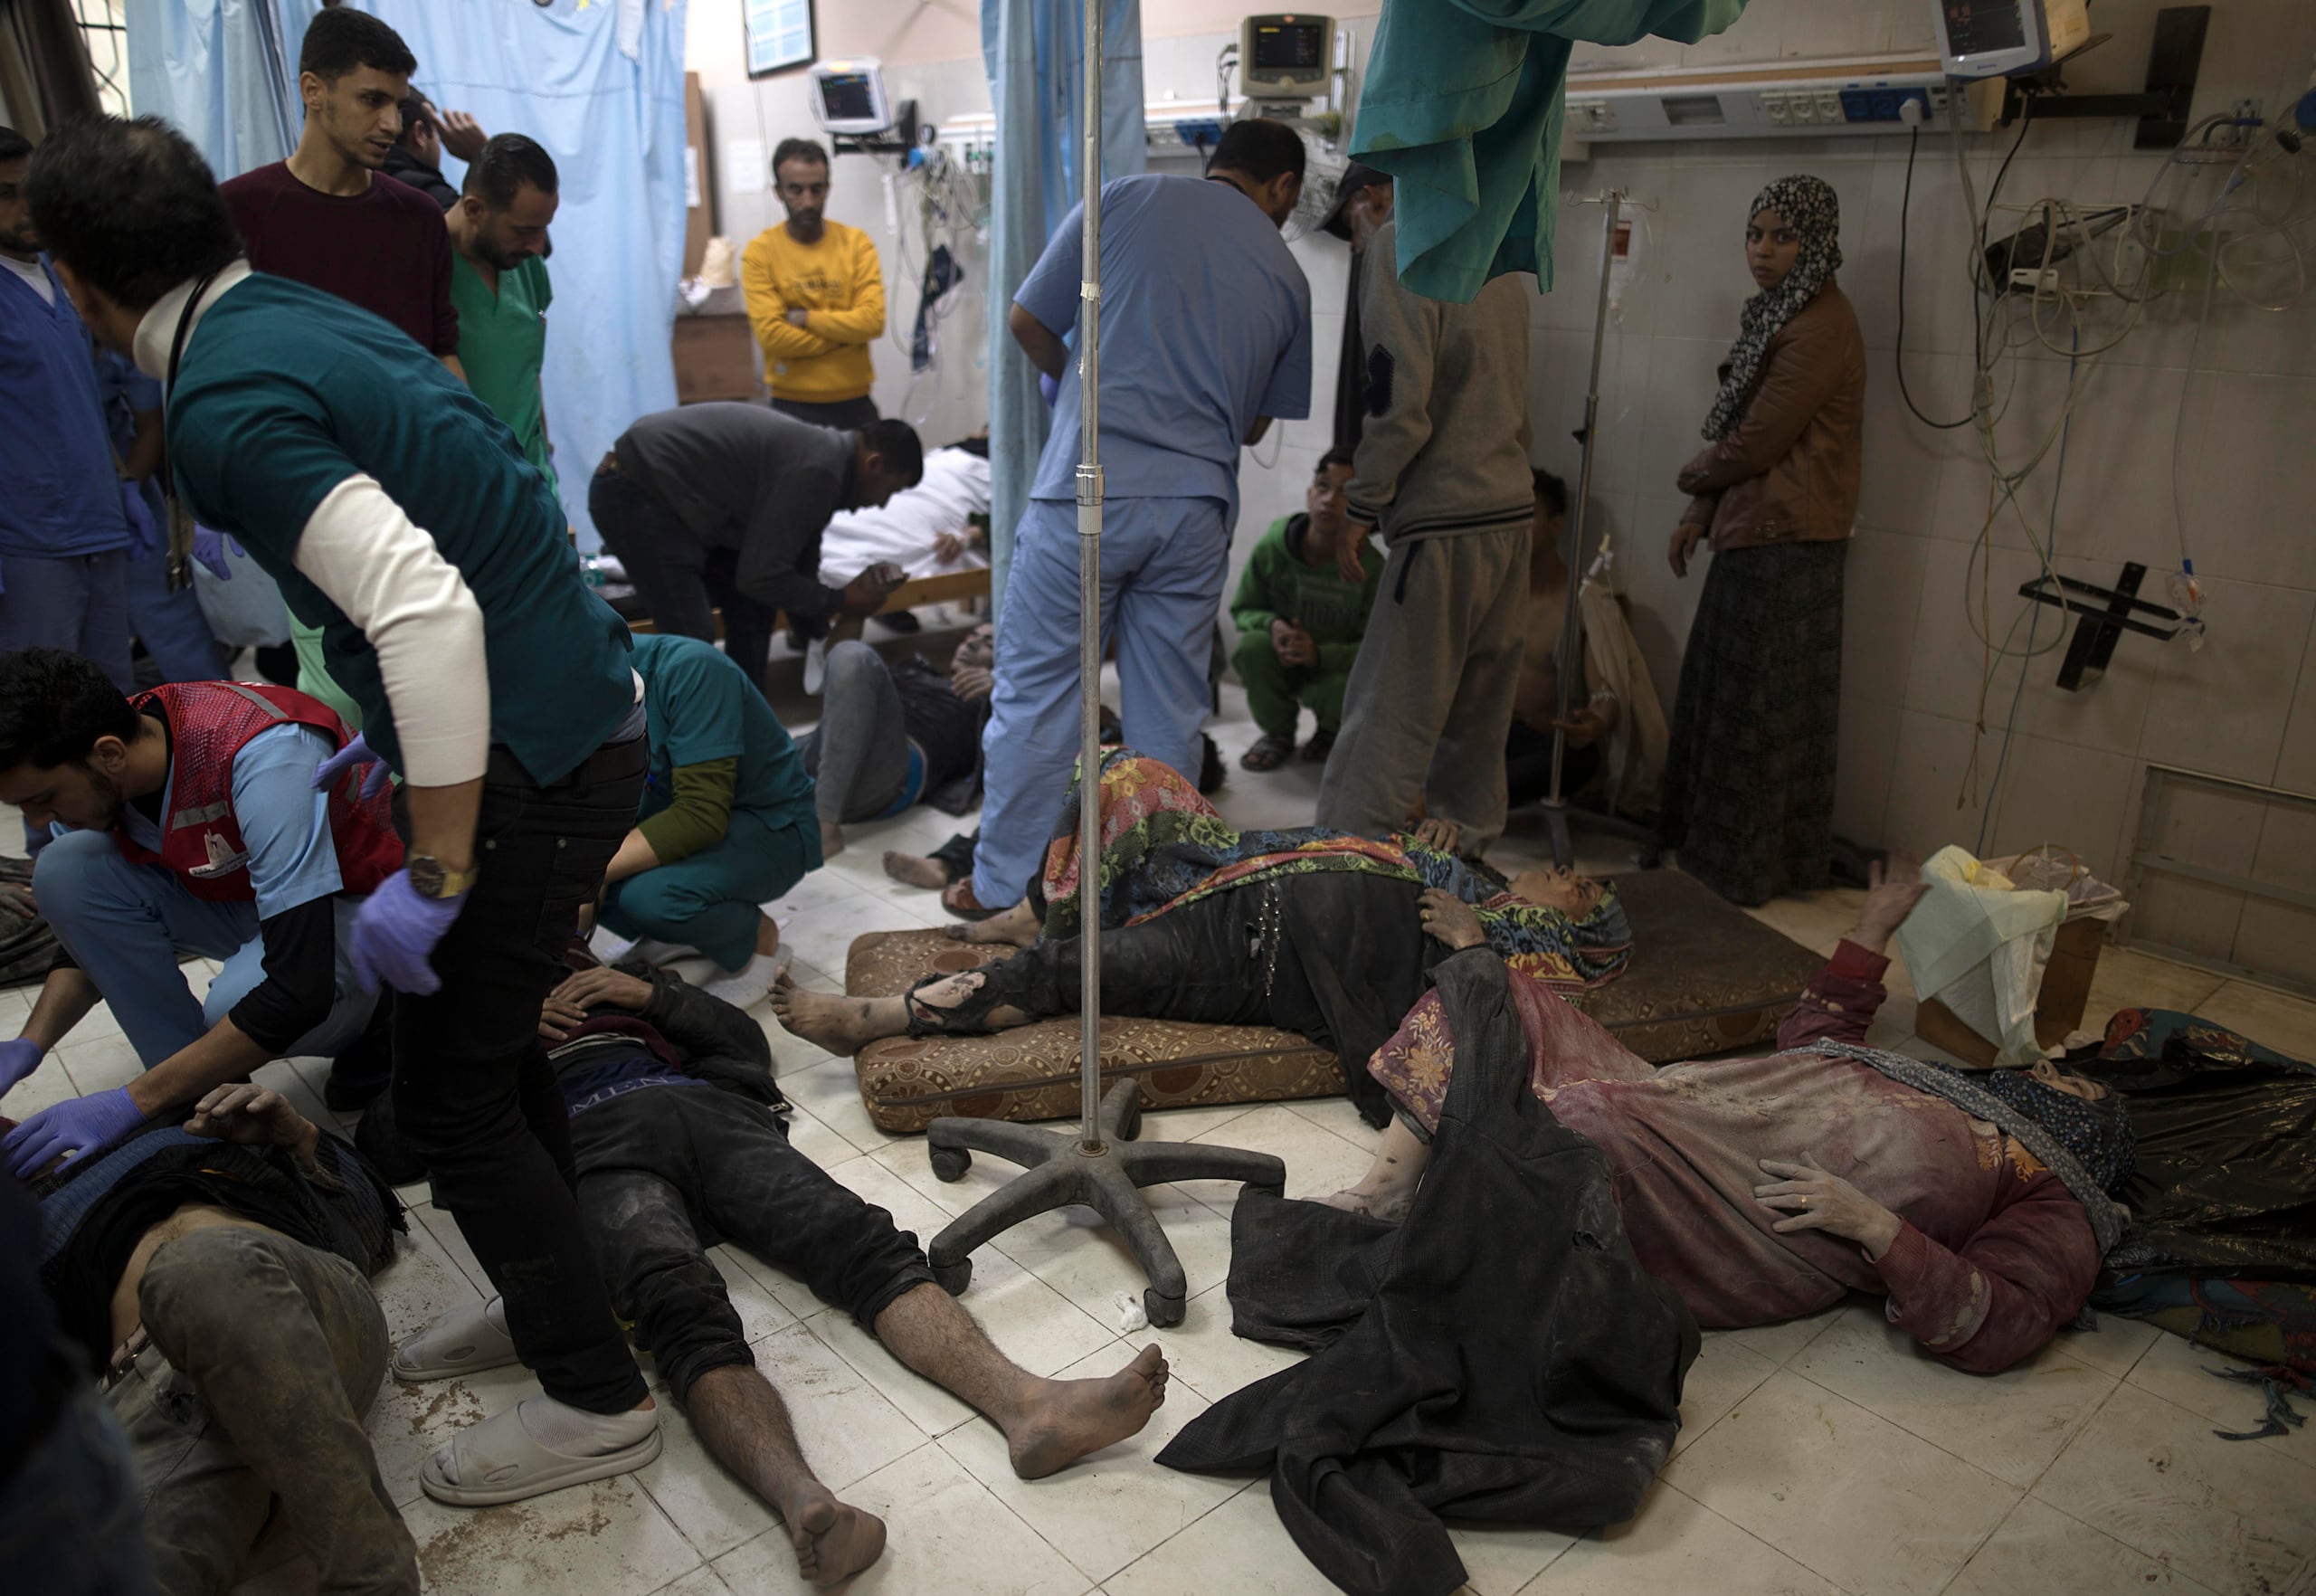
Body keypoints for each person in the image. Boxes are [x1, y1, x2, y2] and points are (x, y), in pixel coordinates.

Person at [29, 113, 660, 1505]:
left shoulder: (219, 404)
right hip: (562, 718)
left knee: (449, 1098)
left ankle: (597, 1399)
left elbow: (423, 606)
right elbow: (459, 537)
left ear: (77, 284)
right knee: (489, 1068)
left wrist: (431, 869)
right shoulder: (289, 318)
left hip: (537, 755)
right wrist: (391, 751)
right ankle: (569, 1309)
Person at [375, 953, 1172, 1590]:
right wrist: (490, 1034)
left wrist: (650, 996)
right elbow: (393, 1135)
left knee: (862, 1242)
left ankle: (1030, 1406)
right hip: (588, 1143)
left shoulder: (622, 980)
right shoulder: (444, 996)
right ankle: (806, 1504)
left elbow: (744, 1048)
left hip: (698, 1108)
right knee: (675, 1305)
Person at [1331, 850, 2131, 1375]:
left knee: (1589, 1122)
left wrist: (1877, 1229)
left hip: (1745, 1211)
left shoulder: (2058, 1196)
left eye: (2075, 1081)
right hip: (1693, 1106)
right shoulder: (1950, 1090)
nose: (2055, 1067)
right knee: (1492, 987)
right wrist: (1873, 929)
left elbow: (2006, 1321)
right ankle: (1390, 1189)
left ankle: (1475, 1196)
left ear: (2089, 1122)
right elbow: (1816, 1038)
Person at [778, 752, 1629, 1127]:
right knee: (1120, 773)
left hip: (1256, 957)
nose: (1572, 874)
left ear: (1577, 925)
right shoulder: (1470, 871)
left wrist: (1477, 939)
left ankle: (882, 1014)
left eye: (1586, 890)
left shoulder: (1528, 952)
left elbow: (1511, 1029)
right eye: (1575, 872)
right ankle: (1041, 911)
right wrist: (1436, 847)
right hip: (1238, 875)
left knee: (1076, 969)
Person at [956, 118, 1312, 920]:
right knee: (1169, 710)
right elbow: (1254, 426)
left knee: (1042, 693)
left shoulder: (1121, 197)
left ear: (1214, 164)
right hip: (1193, 507)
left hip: (1090, 487)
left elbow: (1027, 322)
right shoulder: (1290, 276)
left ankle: (1005, 888)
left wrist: (1075, 381)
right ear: (1282, 188)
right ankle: (1155, 894)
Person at [0, 651, 395, 1173]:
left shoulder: (264, 753)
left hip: (363, 904)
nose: (36, 817)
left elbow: (299, 988)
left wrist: (132, 1101)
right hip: (251, 898)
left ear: (109, 754)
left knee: (237, 1005)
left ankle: (385, 1023)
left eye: (44, 798)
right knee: (62, 870)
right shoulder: (99, 764)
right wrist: (32, 1043)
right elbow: (90, 933)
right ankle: (201, 1107)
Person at [21, 1078, 413, 1593]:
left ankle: (373, 1577)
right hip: (162, 1395)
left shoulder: (177, 1123)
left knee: (198, 1270)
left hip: (297, 1313)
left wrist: (299, 1138)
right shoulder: (18, 1241)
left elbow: (372, 1224)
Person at [219, 10, 462, 737]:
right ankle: (357, 843)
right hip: (306, 493)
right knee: (345, 701)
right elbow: (218, 363)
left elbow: (440, 351)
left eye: (400, 103)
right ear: (312, 91)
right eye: (371, 99)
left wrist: (482, 458)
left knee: (434, 684)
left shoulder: (418, 218)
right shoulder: (241, 212)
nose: (391, 122)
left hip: (414, 481)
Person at [1315, 172, 1536, 856]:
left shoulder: (1400, 247)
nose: (1357, 243)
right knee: (1477, 728)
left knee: (1387, 720)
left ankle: (1337, 872)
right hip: (1509, 512)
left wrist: (1363, 502)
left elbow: (1394, 406)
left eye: (1352, 227)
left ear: (1371, 196)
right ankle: (1467, 873)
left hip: (1444, 522)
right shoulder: (1494, 250)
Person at [1659, 175, 1865, 906]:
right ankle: (1712, 854)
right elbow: (1739, 433)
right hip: (1756, 529)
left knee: (1762, 714)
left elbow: (1756, 440)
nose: (1764, 251)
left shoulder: (1820, 325)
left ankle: (1750, 867)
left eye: (1783, 237)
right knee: (1728, 703)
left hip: (1790, 541)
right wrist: (1700, 513)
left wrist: (1691, 480)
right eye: (1756, 235)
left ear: (1817, 242)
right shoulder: (1776, 315)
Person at [591, 403, 918, 689]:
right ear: (873, 464)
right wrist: (841, 600)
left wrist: (819, 626)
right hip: (635, 490)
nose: (882, 505)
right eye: (890, 491)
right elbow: (762, 576)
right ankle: (679, 746)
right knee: (691, 637)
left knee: (752, 609)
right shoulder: (819, 470)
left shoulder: (829, 462)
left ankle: (745, 721)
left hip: (668, 494)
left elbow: (797, 556)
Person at [597, 632, 818, 1009]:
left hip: (769, 825)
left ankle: (759, 941)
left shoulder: (689, 668)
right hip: (669, 814)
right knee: (572, 867)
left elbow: (700, 813)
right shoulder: (561, 687)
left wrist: (593, 872)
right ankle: (680, 934)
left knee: (648, 897)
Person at [0, 125, 137, 693]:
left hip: (96, 525)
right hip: (28, 543)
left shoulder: (64, 275)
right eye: (6, 194)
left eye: (33, 187)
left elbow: (80, 400)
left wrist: (123, 481)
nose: (26, 206)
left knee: (110, 700)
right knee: (41, 714)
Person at [1229, 447, 1378, 771]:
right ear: (1310, 492)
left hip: (1332, 669)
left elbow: (1376, 651)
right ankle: (1278, 733)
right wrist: (1273, 626)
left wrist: (1320, 655)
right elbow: (1243, 609)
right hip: (1282, 659)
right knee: (1252, 647)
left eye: (1346, 492)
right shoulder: (1275, 546)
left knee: (1352, 684)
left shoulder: (1371, 569)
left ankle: (1329, 732)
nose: (1330, 500)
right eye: (1323, 486)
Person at [794, 624, 993, 860]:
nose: (972, 644)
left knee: (853, 655)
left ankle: (824, 826)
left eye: (988, 644)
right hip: (825, 752)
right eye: (972, 636)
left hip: (887, 772)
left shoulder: (991, 703)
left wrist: (1002, 686)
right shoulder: (915, 669)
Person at [95, 350, 230, 684]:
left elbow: (150, 424)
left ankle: (222, 721)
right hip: (38, 512)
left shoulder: (106, 342)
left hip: (124, 497)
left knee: (176, 630)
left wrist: (125, 490)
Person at [742, 138, 885, 429]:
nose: (807, 201)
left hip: (855, 404)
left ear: (827, 189)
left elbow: (872, 321)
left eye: (816, 189)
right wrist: (845, 338)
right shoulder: (760, 253)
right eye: (796, 190)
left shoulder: (856, 244)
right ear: (778, 192)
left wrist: (806, 317)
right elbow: (772, 336)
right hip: (791, 406)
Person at [445, 133, 559, 495]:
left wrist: (546, 446)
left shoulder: (526, 266)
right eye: (524, 231)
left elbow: (528, 369)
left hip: (534, 482)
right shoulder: (426, 264)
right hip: (465, 490)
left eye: (543, 229)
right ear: (475, 210)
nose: (538, 246)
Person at [1505, 469, 1618, 806]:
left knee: (1574, 760)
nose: (1516, 527)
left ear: (1556, 525)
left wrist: (1596, 720)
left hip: (1542, 740)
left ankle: (1470, 796)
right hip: (1484, 734)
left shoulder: (1582, 601)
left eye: (1528, 515)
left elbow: (1605, 688)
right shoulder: (1493, 593)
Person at [381, 92, 485, 212]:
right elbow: (483, 225)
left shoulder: (366, 180)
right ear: (420, 134)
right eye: (438, 134)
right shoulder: (431, 194)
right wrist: (484, 155)